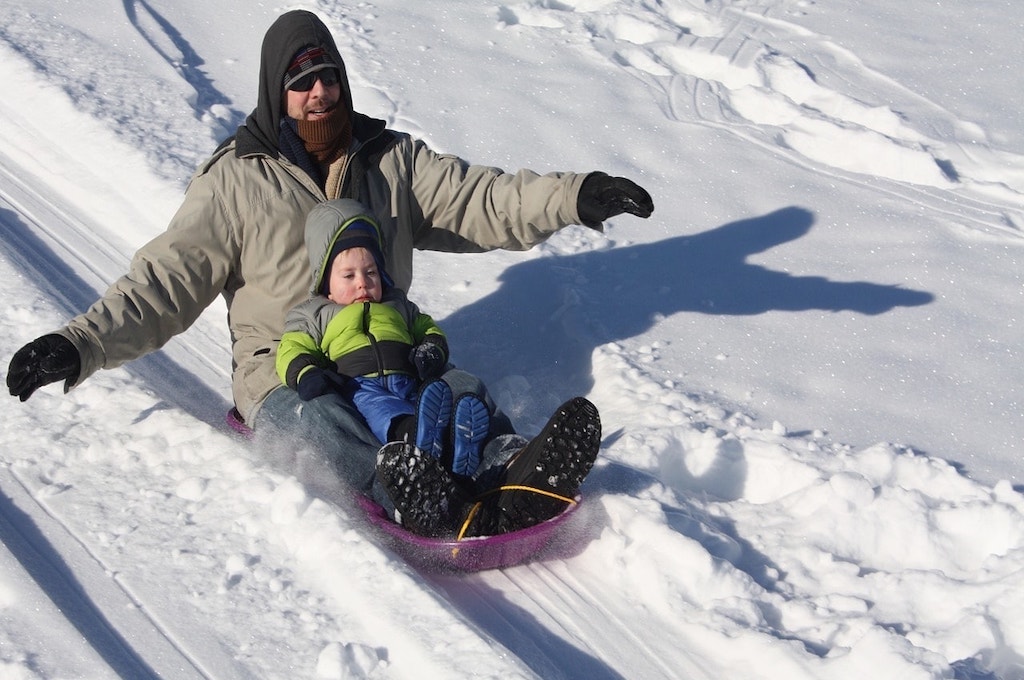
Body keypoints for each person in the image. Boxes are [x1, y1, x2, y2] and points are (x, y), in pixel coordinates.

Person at [6, 9, 652, 536]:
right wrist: (81, 343)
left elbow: (481, 198)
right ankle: (401, 486)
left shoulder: (388, 159)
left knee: (457, 390)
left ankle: (512, 468)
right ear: (275, 91)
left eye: (328, 76)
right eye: (301, 80)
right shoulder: (236, 179)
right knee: (321, 423)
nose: (319, 92)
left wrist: (573, 195)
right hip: (287, 369)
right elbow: (167, 280)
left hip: (388, 350)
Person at [277, 198, 492, 476]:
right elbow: (292, 348)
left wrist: (431, 348)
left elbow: (426, 328)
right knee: (385, 413)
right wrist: (308, 373)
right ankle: (414, 442)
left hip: (410, 382)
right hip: (359, 388)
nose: (362, 282)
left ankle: (461, 448)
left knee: (441, 400)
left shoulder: (398, 305)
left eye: (370, 272)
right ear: (325, 283)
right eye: (348, 275)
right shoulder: (313, 314)